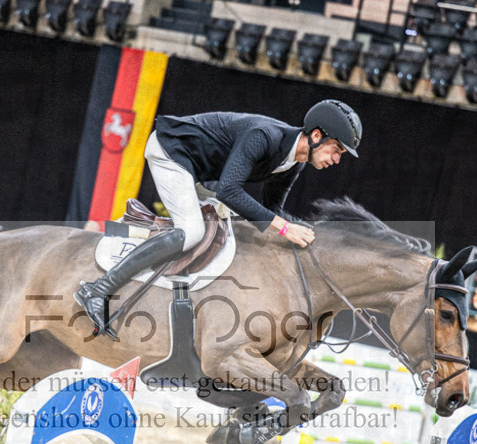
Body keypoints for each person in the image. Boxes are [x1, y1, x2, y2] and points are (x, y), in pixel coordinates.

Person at [75, 100, 362, 338]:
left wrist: (313, 233)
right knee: (191, 232)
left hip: (201, 174)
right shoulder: (264, 136)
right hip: (172, 152)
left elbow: (270, 211)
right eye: (336, 149)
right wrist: (285, 227)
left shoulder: (291, 163)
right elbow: (229, 191)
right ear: (315, 136)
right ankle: (98, 290)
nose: (336, 159)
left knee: (230, 226)